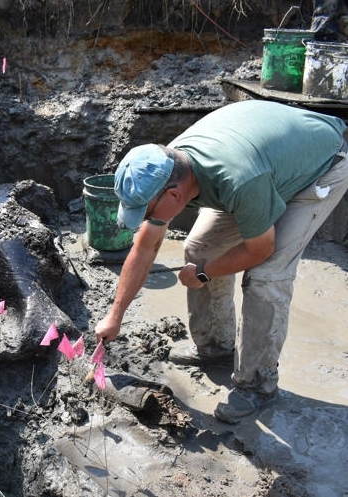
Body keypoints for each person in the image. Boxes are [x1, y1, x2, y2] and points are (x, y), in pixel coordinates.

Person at [93, 100, 348, 424]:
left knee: (265, 277)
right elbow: (145, 247)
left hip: (321, 164)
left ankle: (257, 385)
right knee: (200, 247)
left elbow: (260, 250)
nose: (146, 220)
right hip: (263, 162)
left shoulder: (239, 180)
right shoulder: (165, 166)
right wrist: (115, 316)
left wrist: (204, 273)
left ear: (174, 196)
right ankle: (215, 345)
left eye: (145, 212)